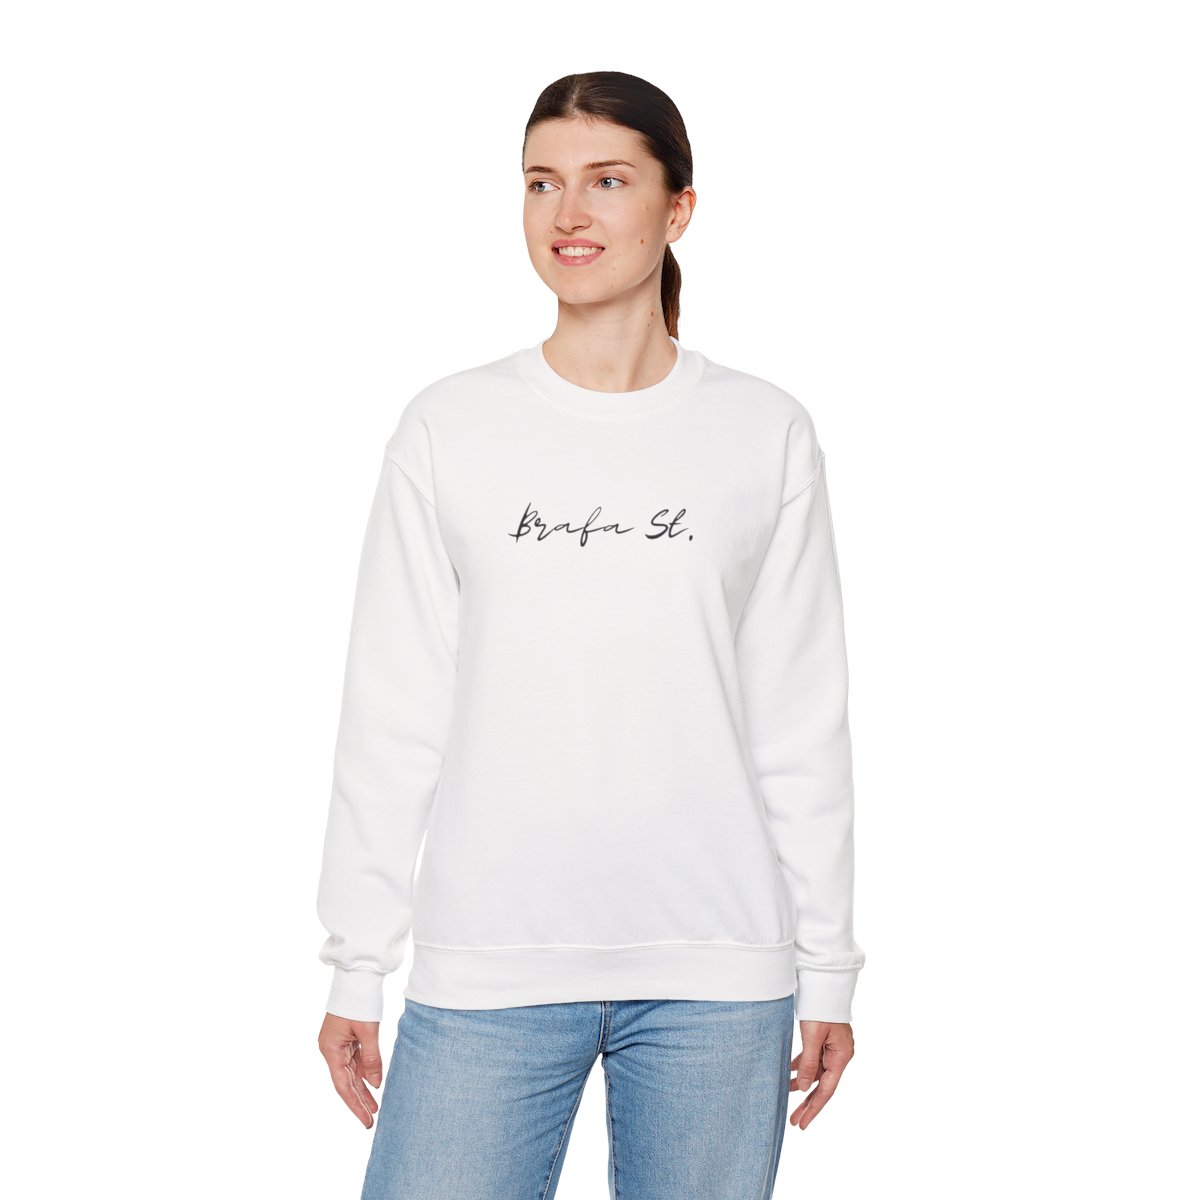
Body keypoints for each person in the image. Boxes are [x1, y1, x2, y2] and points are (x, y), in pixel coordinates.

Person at [315, 70, 866, 1200]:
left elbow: (799, 720)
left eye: (608, 181)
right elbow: (393, 711)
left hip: (718, 974)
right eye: (541, 183)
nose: (568, 213)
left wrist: (828, 969)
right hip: (489, 966)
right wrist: (357, 960)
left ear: (678, 208)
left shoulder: (762, 431)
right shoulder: (450, 427)